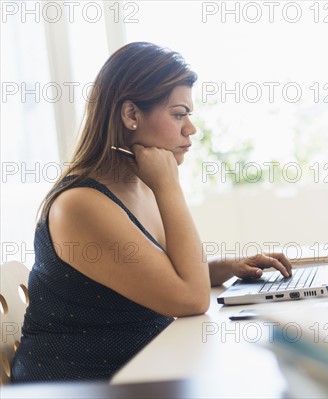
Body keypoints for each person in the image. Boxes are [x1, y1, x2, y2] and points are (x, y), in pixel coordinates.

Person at [11, 42, 292, 383]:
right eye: (178, 114)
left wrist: (222, 269)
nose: (190, 129)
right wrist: (169, 186)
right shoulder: (80, 205)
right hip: (83, 385)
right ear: (131, 115)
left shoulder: (137, 185)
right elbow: (190, 299)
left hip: (140, 370)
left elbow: (170, 275)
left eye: (189, 115)